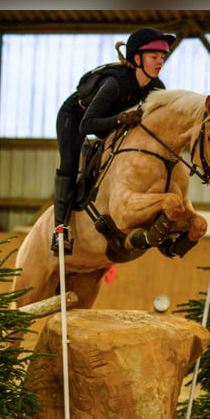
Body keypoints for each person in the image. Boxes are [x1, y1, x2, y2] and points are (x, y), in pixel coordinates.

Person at [51, 27, 176, 255]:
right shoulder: (116, 83)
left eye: (162, 57)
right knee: (69, 162)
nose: (160, 62)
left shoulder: (157, 89)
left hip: (111, 122)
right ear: (137, 59)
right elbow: (87, 125)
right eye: (154, 57)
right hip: (77, 116)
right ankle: (61, 229)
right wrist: (120, 118)